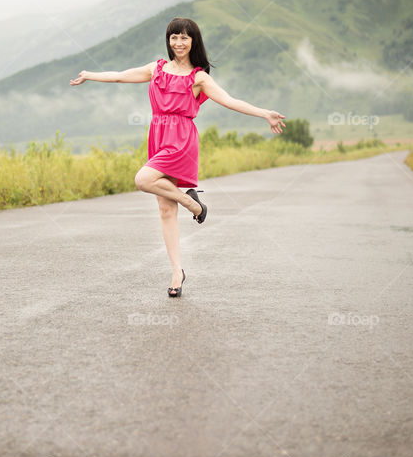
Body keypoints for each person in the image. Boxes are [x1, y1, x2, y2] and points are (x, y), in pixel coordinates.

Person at [69, 17, 286, 297]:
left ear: (193, 41)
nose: (178, 43)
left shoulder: (199, 77)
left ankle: (192, 204)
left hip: (181, 139)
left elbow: (230, 101)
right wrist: (90, 74)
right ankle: (176, 272)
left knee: (143, 179)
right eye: (174, 37)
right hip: (158, 135)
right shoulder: (156, 69)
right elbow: (121, 75)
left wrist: (264, 113)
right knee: (165, 210)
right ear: (168, 40)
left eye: (184, 38)